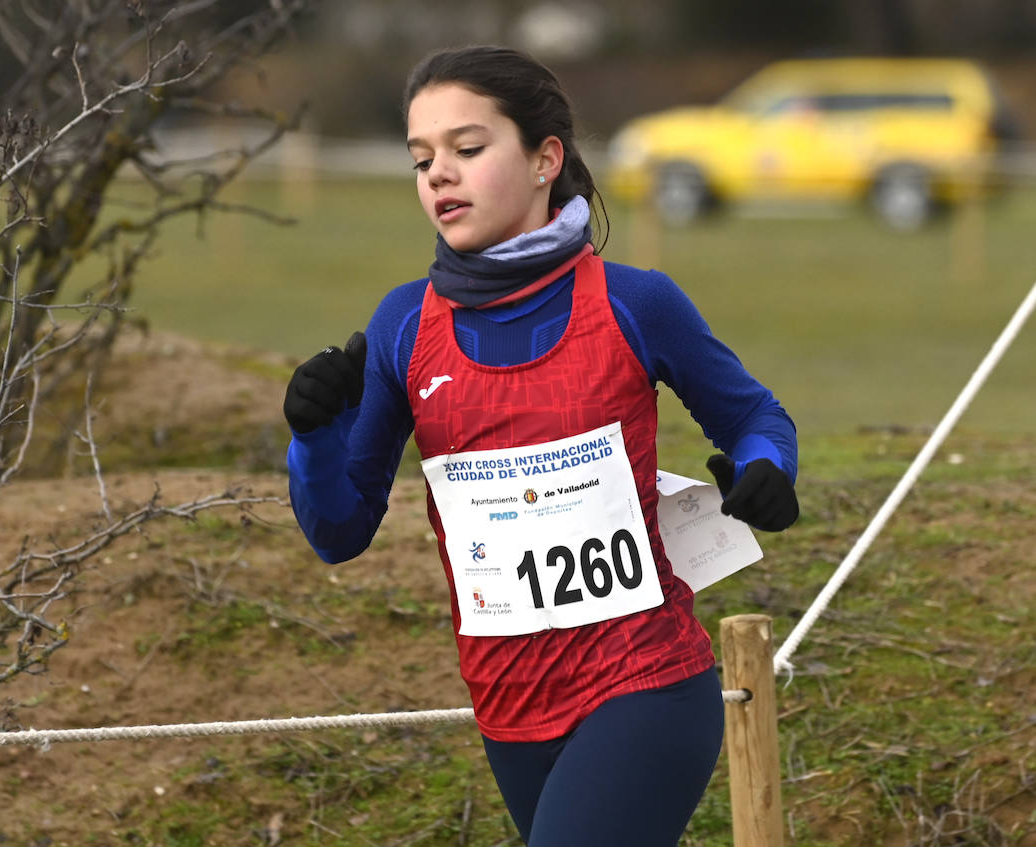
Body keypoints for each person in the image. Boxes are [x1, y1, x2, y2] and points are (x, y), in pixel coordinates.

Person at [282, 45, 799, 846]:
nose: (439, 175)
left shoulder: (635, 302)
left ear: (543, 159)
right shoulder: (402, 327)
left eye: (467, 148)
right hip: (509, 707)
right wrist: (315, 434)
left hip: (646, 680)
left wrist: (767, 469)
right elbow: (339, 530)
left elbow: (756, 416)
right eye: (422, 160)